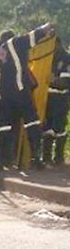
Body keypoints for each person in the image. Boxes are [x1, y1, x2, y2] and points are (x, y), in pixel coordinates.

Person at [0, 23, 54, 171]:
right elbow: (33, 35)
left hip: (4, 95)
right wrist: (48, 27)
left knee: (4, 127)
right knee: (31, 123)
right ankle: (35, 159)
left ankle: (1, 160)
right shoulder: (14, 43)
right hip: (20, 92)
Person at [42, 37, 70, 166]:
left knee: (59, 128)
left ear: (58, 44)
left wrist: (51, 80)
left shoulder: (66, 58)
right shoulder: (49, 58)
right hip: (47, 98)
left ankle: (58, 157)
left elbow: (65, 82)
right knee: (47, 128)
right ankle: (46, 156)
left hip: (60, 98)